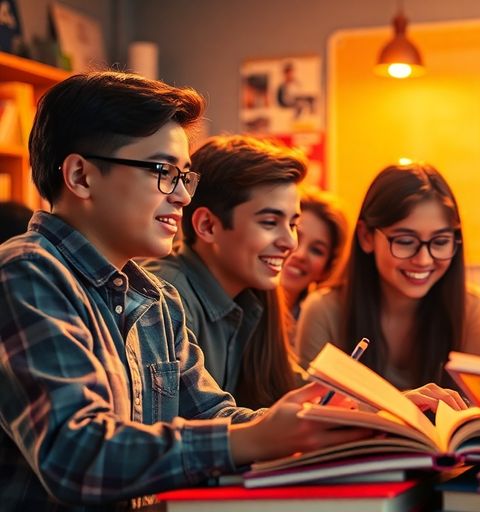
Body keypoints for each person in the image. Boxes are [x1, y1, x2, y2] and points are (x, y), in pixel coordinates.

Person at [0, 71, 369, 510]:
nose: (182, 196)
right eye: (162, 172)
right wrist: (254, 438)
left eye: (184, 177)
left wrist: (354, 418)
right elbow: (77, 456)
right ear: (81, 176)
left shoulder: (156, 299)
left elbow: (216, 417)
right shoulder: (26, 273)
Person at [296, 163, 480, 402]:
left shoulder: (471, 309)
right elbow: (308, 414)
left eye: (440, 242)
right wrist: (399, 406)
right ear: (367, 237)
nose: (423, 259)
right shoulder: (323, 311)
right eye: (406, 241)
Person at [144, 135, 306, 409]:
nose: (290, 243)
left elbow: (289, 383)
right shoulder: (166, 296)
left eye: (292, 224)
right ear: (207, 225)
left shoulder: (251, 297)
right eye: (269, 222)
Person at [282, 187, 348, 319]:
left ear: (326, 269)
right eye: (296, 236)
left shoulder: (321, 321)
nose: (300, 255)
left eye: (316, 250)